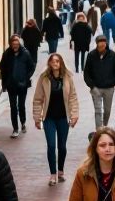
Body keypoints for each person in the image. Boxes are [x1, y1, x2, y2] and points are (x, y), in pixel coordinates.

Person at [32, 53, 80, 186]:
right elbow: (38, 99)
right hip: (49, 118)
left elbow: (73, 98)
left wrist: (74, 115)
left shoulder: (67, 78)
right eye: (52, 61)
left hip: (63, 118)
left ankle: (60, 171)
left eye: (57, 61)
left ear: (61, 63)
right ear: (49, 63)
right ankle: (53, 174)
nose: (55, 63)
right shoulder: (44, 79)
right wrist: (37, 118)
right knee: (51, 146)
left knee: (62, 147)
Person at [0, 35, 35, 138]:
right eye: (13, 44)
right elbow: (2, 68)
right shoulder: (7, 54)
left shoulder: (25, 53)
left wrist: (26, 78)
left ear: (19, 44)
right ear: (10, 44)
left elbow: (32, 67)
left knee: (21, 105)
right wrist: (5, 82)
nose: (15, 46)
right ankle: (15, 128)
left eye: (17, 44)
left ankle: (23, 122)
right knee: (13, 107)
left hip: (22, 84)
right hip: (11, 85)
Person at [83, 35, 115, 129]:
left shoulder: (112, 55)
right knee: (98, 110)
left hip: (109, 88)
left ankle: (104, 126)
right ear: (97, 44)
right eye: (100, 42)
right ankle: (99, 131)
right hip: (96, 88)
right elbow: (86, 73)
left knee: (107, 110)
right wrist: (92, 86)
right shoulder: (91, 55)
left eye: (104, 42)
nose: (102, 44)